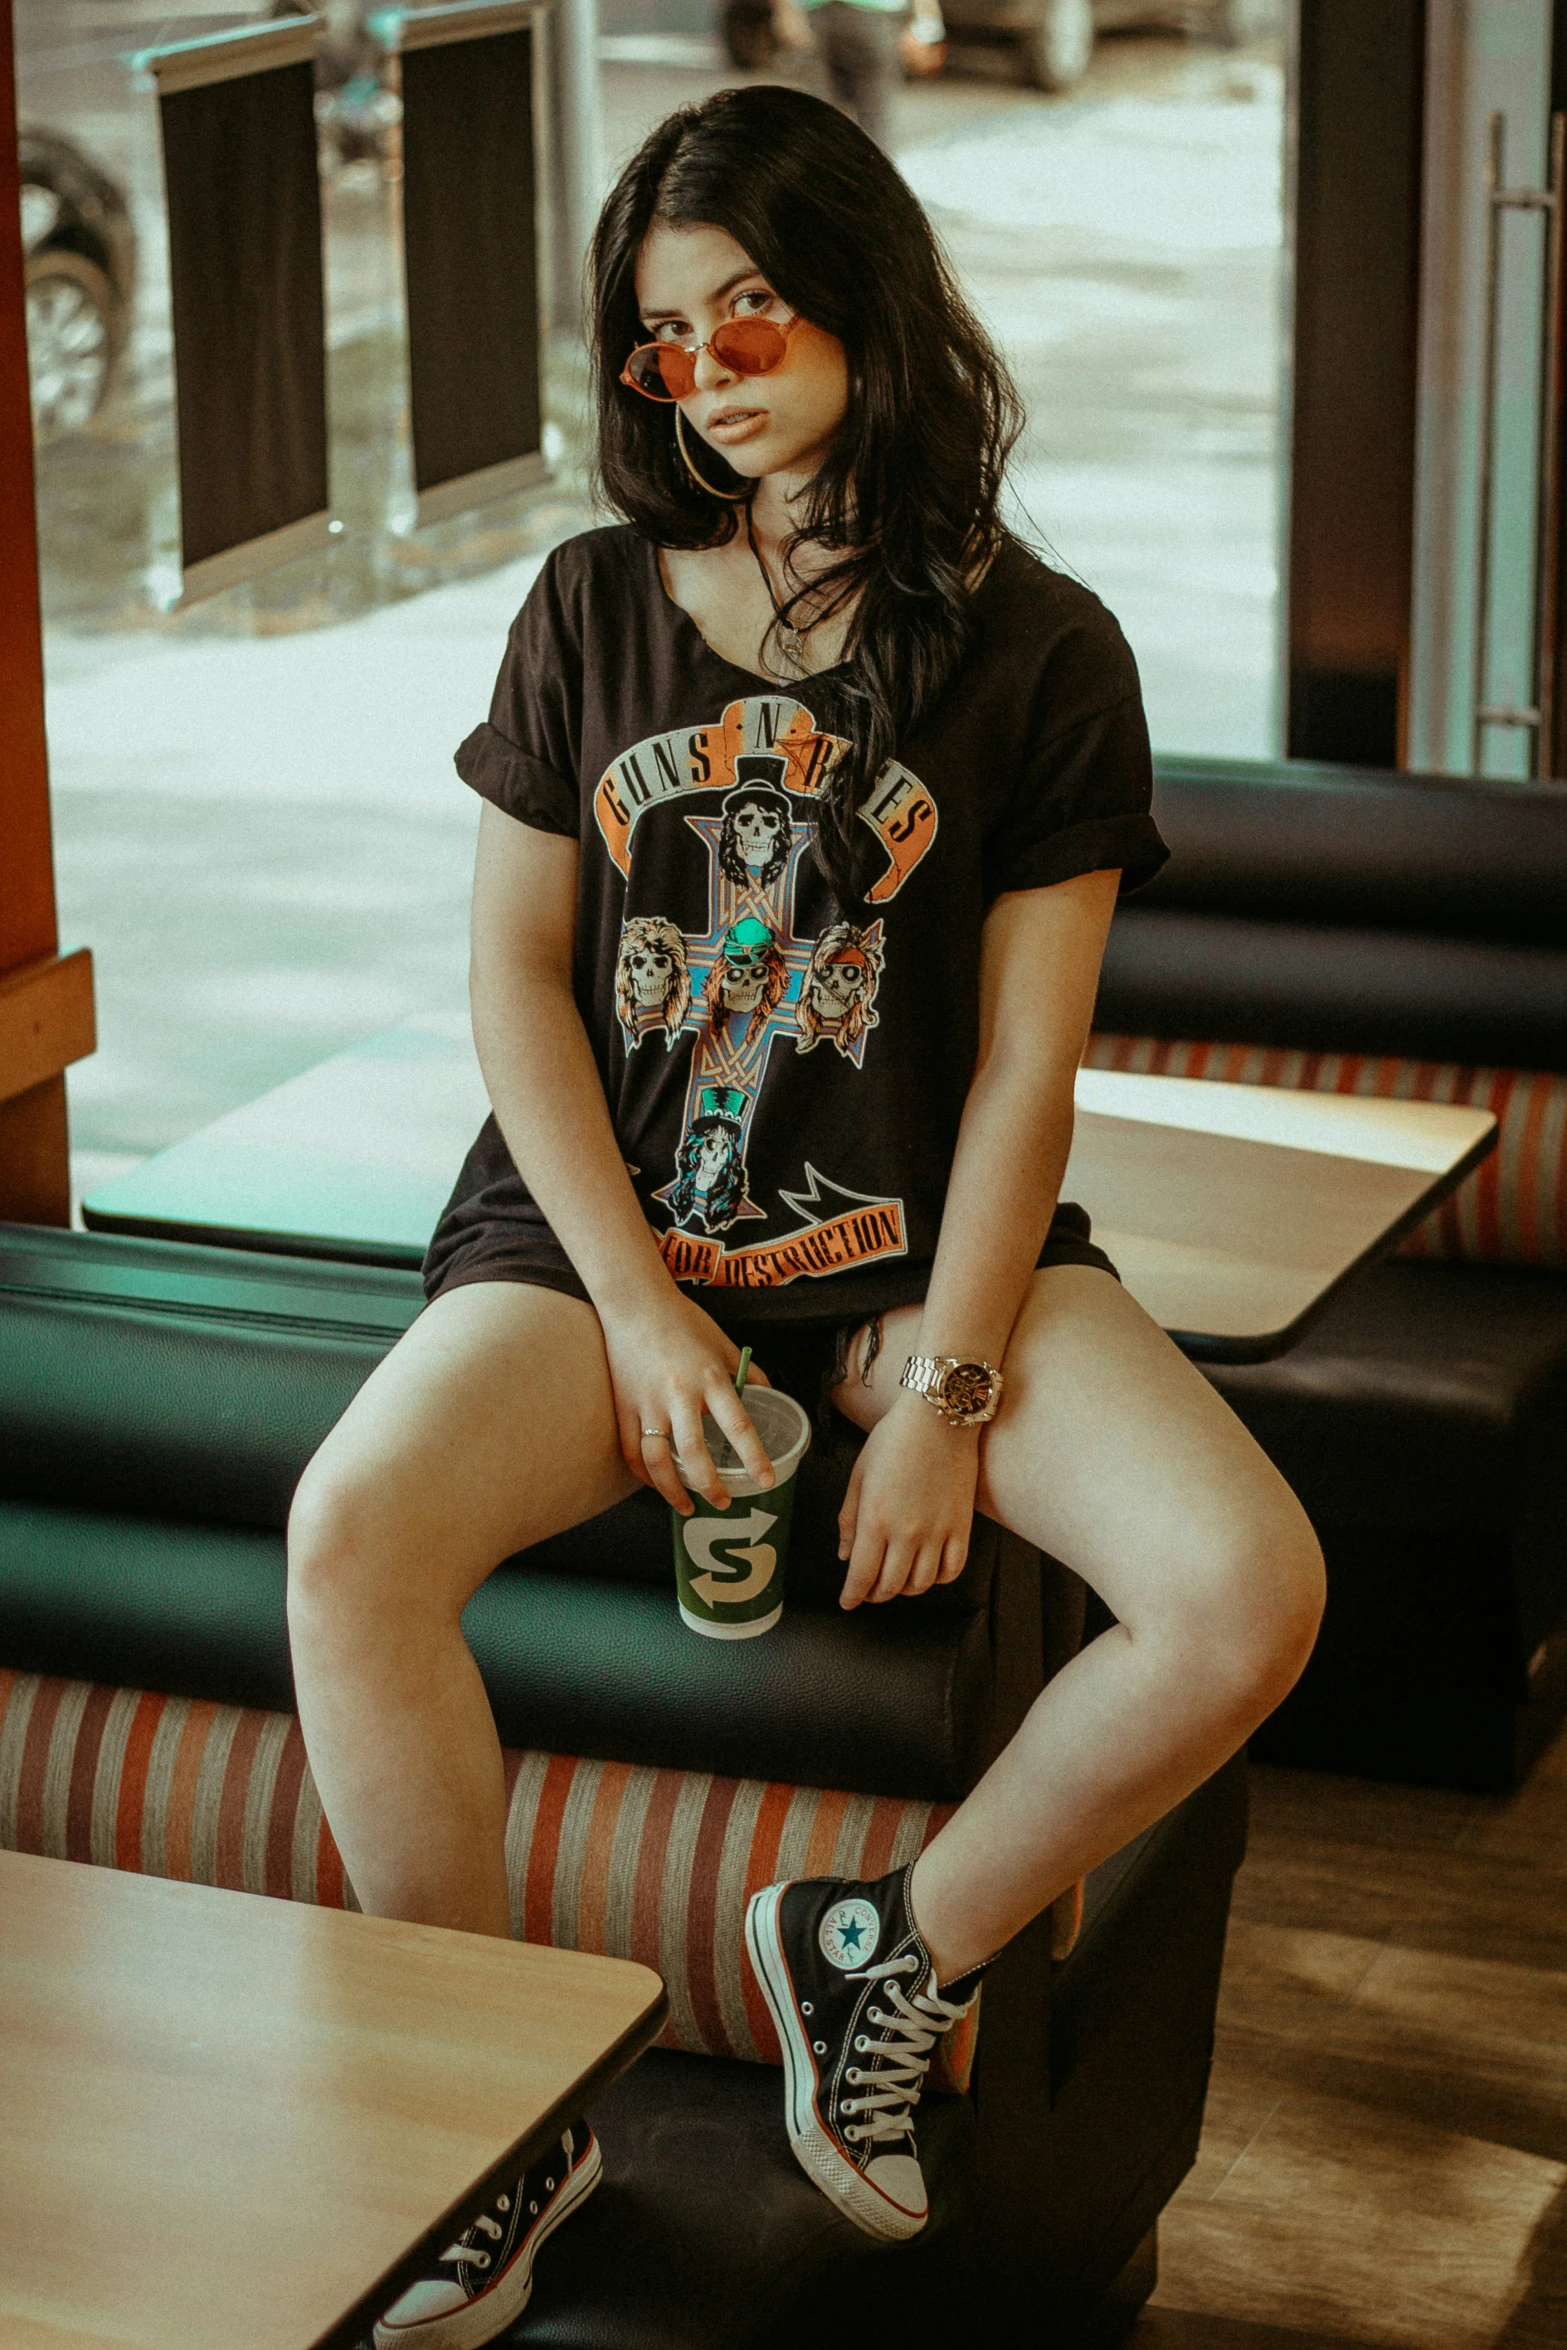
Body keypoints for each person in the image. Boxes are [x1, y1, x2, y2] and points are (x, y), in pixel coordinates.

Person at [287, 82, 1324, 2343]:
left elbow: (1031, 1067)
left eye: (751, 305)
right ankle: (503, 2120)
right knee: (351, 1532)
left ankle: (892, 1942)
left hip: (910, 1259)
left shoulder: (1044, 650)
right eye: (666, 336)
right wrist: (648, 1316)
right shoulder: (586, 606)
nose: (711, 368)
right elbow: (510, 983)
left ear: (865, 291)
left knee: (1248, 1585)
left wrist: (948, 1387)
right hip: (600, 1255)